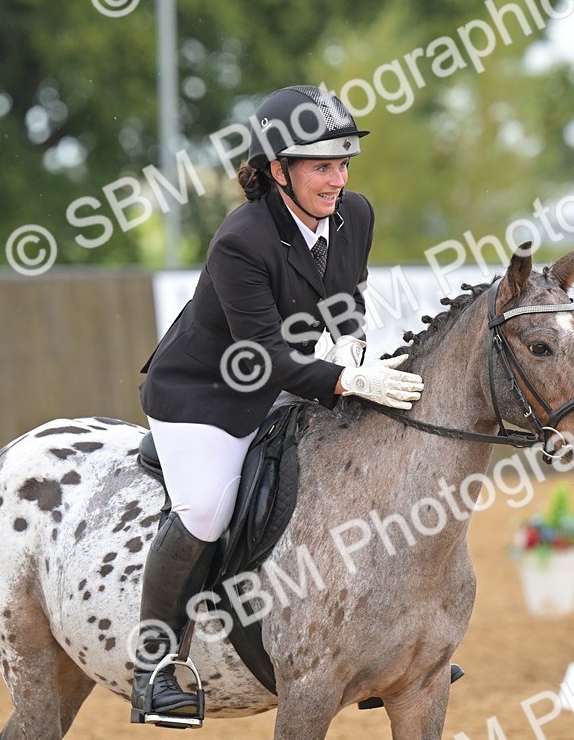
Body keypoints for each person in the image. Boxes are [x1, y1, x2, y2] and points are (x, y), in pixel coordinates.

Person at [132, 85, 425, 722]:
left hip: (287, 377)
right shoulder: (240, 240)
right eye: (322, 167)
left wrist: (354, 357)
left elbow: (346, 304)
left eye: (343, 164)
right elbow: (260, 355)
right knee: (205, 511)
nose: (338, 180)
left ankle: (380, 644)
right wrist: (345, 382)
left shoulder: (354, 214)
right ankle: (153, 665)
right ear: (278, 170)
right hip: (205, 394)